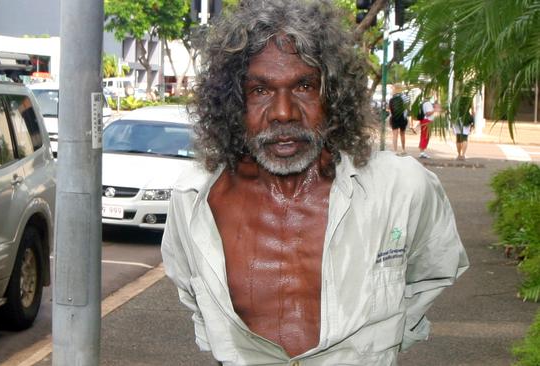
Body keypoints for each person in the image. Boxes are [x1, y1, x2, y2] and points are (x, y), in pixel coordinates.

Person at [161, 1, 469, 365]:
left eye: (304, 86)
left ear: (333, 95)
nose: (283, 112)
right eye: (260, 90)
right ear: (233, 102)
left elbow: (433, 271)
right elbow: (193, 296)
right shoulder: (196, 200)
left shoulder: (402, 190)